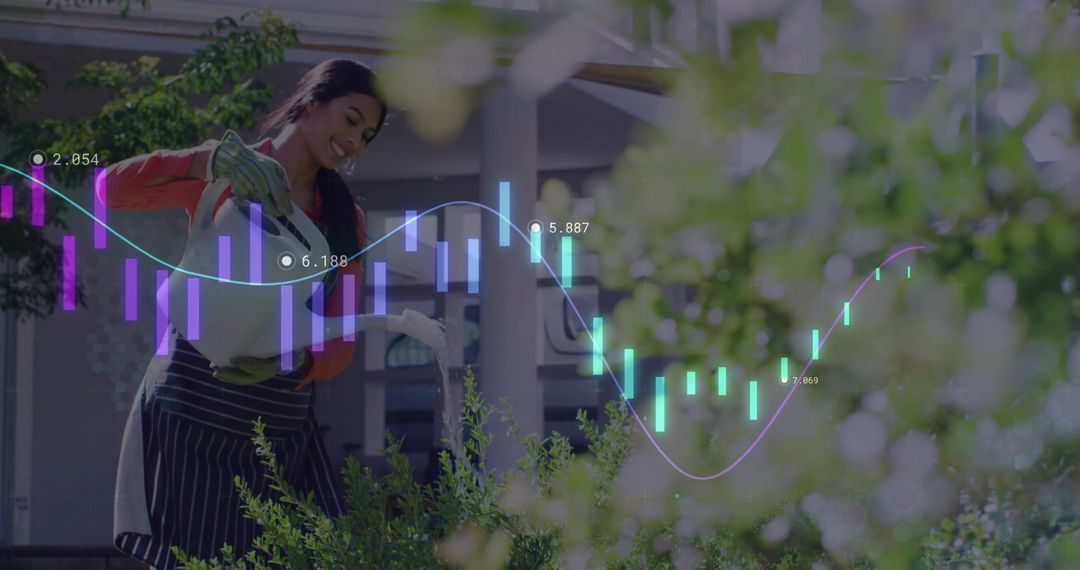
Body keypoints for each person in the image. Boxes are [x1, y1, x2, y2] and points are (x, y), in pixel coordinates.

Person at [105, 58, 388, 569]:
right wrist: (203, 160)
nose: (355, 141)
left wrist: (300, 364)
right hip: (192, 403)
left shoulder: (347, 222)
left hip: (274, 429)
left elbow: (340, 340)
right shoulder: (227, 173)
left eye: (366, 135)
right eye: (351, 119)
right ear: (314, 100)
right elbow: (111, 191)